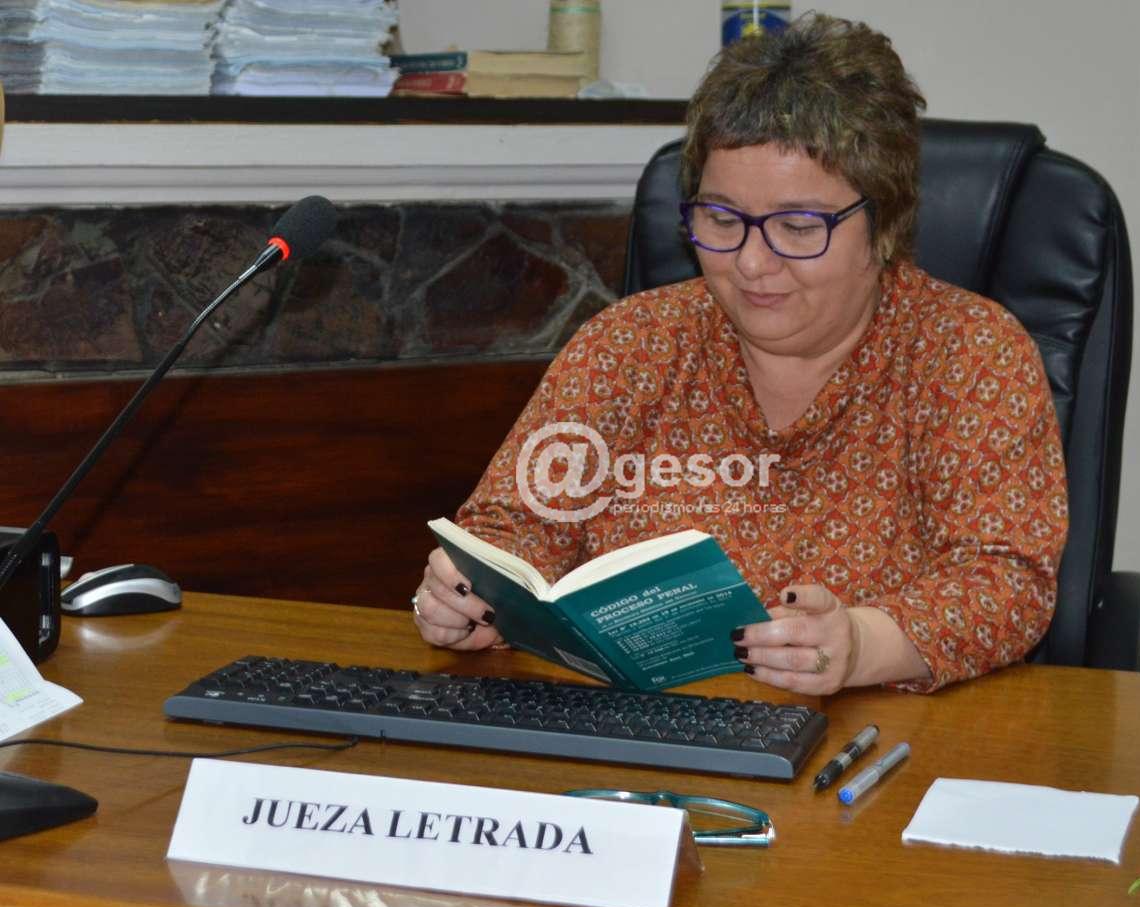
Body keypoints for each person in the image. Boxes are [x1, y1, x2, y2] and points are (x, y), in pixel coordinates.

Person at [413, 13, 1068, 694]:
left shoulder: (968, 352)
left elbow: (1006, 579)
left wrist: (862, 645)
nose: (752, 262)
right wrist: (470, 594)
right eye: (722, 219)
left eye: (798, 226)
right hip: (638, 729)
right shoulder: (630, 344)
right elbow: (515, 525)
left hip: (870, 734)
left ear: (885, 225)